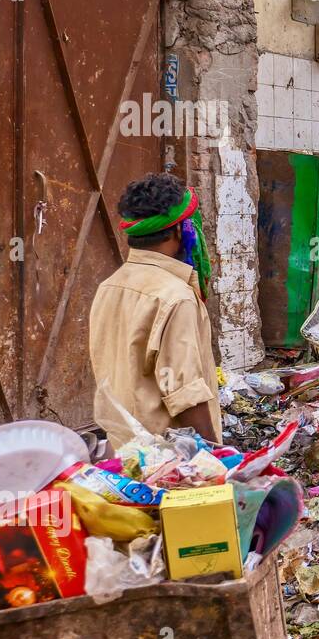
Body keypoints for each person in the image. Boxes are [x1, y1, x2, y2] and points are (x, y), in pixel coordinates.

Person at [89, 173, 222, 449]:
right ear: (179, 232)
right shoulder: (176, 297)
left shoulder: (109, 286)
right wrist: (217, 457)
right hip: (170, 459)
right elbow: (185, 394)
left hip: (124, 452)